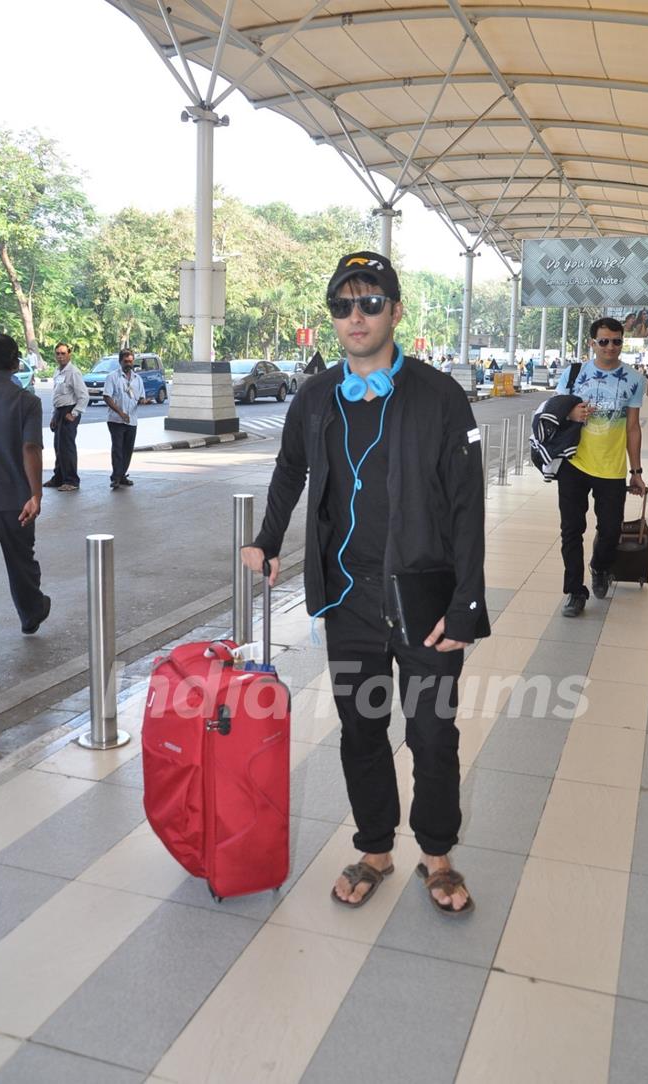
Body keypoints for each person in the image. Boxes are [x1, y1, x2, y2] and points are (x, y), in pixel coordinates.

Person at [241, 251, 488, 916]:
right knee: (360, 728)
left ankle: (437, 854)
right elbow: (290, 471)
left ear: (395, 311)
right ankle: (376, 847)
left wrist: (467, 604)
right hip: (348, 598)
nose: (356, 317)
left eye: (370, 302)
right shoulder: (317, 397)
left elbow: (468, 505)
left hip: (425, 600)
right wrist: (267, 539)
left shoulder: (438, 396)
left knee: (433, 733)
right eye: (343, 306)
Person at [555, 317, 646, 617]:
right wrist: (571, 411)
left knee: (609, 530)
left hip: (611, 467)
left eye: (616, 341)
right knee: (571, 529)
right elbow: (554, 411)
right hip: (574, 462)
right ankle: (574, 592)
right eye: (604, 341)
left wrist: (636, 472)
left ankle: (600, 566)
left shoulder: (634, 378)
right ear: (592, 343)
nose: (610, 347)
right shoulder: (574, 373)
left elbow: (633, 428)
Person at [0, 333, 51, 667]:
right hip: (15, 501)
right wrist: (36, 494)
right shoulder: (26, 401)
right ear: (14, 363)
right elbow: (31, 448)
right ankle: (32, 612)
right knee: (22, 565)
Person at [44, 342, 88, 492]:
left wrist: (74, 413)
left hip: (69, 411)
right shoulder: (57, 372)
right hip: (59, 411)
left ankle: (71, 480)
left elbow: (84, 396)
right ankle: (59, 478)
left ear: (69, 354)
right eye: (58, 353)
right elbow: (56, 395)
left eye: (63, 353)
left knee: (67, 447)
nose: (60, 356)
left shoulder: (73, 372)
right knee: (58, 446)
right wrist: (53, 416)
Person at [103, 348, 148, 490]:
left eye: (131, 361)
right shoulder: (113, 377)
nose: (128, 364)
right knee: (117, 449)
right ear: (120, 361)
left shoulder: (137, 379)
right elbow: (107, 397)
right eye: (126, 361)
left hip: (132, 420)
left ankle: (122, 475)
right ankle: (115, 477)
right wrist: (120, 412)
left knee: (127, 449)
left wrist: (144, 401)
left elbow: (140, 397)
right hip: (116, 420)